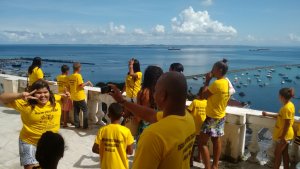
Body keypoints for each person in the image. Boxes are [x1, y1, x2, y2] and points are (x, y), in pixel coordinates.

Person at [109, 72, 196, 169]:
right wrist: (123, 101)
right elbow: (151, 114)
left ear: (163, 95)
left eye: (155, 91)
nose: (154, 95)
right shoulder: (188, 118)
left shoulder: (153, 135)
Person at [0, 80, 68, 169]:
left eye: (45, 92)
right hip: (29, 142)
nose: (43, 95)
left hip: (49, 144)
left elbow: (64, 100)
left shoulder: (55, 99)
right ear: (32, 94)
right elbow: (2, 98)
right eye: (38, 93)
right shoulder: (25, 103)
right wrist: (20, 95)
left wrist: (66, 98)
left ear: (49, 92)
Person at [199, 59, 230, 169]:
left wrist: (207, 81)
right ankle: (215, 165)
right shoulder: (226, 82)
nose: (211, 71)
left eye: (213, 69)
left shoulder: (216, 83)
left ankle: (208, 167)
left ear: (219, 70)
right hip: (220, 115)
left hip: (211, 117)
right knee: (216, 140)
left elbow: (203, 96)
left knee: (201, 143)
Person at [92, 103, 134, 169]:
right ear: (122, 114)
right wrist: (119, 150)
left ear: (108, 115)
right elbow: (130, 152)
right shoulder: (126, 131)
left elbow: (94, 149)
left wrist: (105, 151)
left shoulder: (102, 130)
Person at [262, 88, 295, 169]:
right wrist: (267, 114)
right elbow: (280, 116)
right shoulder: (290, 105)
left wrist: (283, 137)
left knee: (277, 154)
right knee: (284, 154)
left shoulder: (286, 108)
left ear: (282, 97)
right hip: (288, 134)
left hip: (284, 135)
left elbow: (287, 123)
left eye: (279, 95)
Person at [136, 65, 163, 141]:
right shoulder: (162, 93)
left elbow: (138, 117)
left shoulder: (142, 93)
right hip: (159, 129)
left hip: (145, 130)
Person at [68, 62, 93, 129]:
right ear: (78, 68)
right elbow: (81, 86)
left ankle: (77, 125)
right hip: (79, 96)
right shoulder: (78, 76)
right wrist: (88, 82)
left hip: (74, 96)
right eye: (80, 68)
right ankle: (85, 126)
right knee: (86, 110)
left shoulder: (70, 76)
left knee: (76, 111)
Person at [187, 87, 207, 166]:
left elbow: (188, 111)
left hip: (201, 129)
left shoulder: (205, 102)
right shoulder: (195, 102)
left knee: (199, 145)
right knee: (194, 146)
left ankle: (199, 158)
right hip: (195, 129)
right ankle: (191, 160)